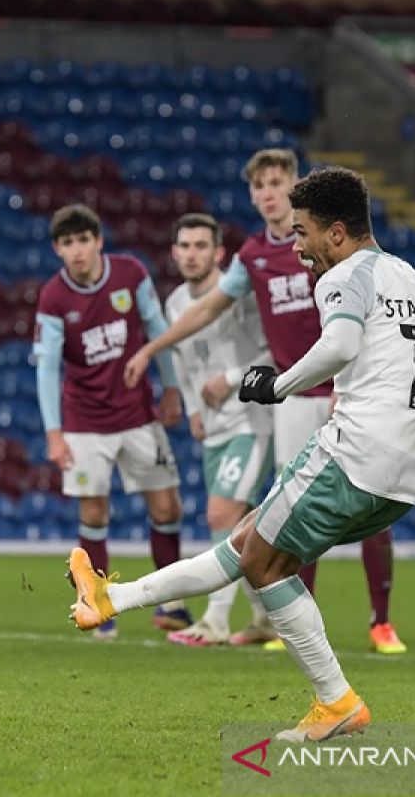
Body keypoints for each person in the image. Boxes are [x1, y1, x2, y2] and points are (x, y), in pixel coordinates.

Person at [68, 166, 415, 742]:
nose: (295, 246)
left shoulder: (344, 276)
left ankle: (336, 700)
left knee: (262, 562)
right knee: (247, 543)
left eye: (301, 232)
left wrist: (275, 385)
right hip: (403, 480)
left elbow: (341, 344)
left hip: (352, 453)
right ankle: (111, 598)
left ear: (336, 232)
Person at [124, 149, 406, 655]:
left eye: (278, 181)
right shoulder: (253, 256)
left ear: (295, 185)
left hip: (353, 388)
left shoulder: (328, 245)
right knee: (298, 511)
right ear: (252, 195)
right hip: (295, 394)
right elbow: (208, 307)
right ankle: (293, 624)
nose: (270, 192)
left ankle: (380, 622)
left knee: (371, 508)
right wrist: (154, 346)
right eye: (260, 185)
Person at [34, 203, 189, 641]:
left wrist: (172, 388)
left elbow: (158, 328)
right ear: (57, 250)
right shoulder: (53, 297)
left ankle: (171, 603)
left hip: (139, 417)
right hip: (85, 424)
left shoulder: (130, 274)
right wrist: (54, 434)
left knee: (167, 507)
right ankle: (99, 602)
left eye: (84, 240)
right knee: (94, 511)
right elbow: (47, 368)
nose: (77, 250)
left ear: (98, 241)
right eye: (68, 243)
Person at [161, 213, 276, 647]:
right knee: (238, 526)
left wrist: (229, 379)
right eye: (185, 246)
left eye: (200, 246)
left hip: (253, 420)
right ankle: (265, 618)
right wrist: (193, 406)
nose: (192, 255)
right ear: (175, 253)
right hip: (214, 426)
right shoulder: (175, 304)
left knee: (220, 515)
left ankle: (215, 620)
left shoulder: (241, 295)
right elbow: (184, 362)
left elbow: (276, 352)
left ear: (218, 253)